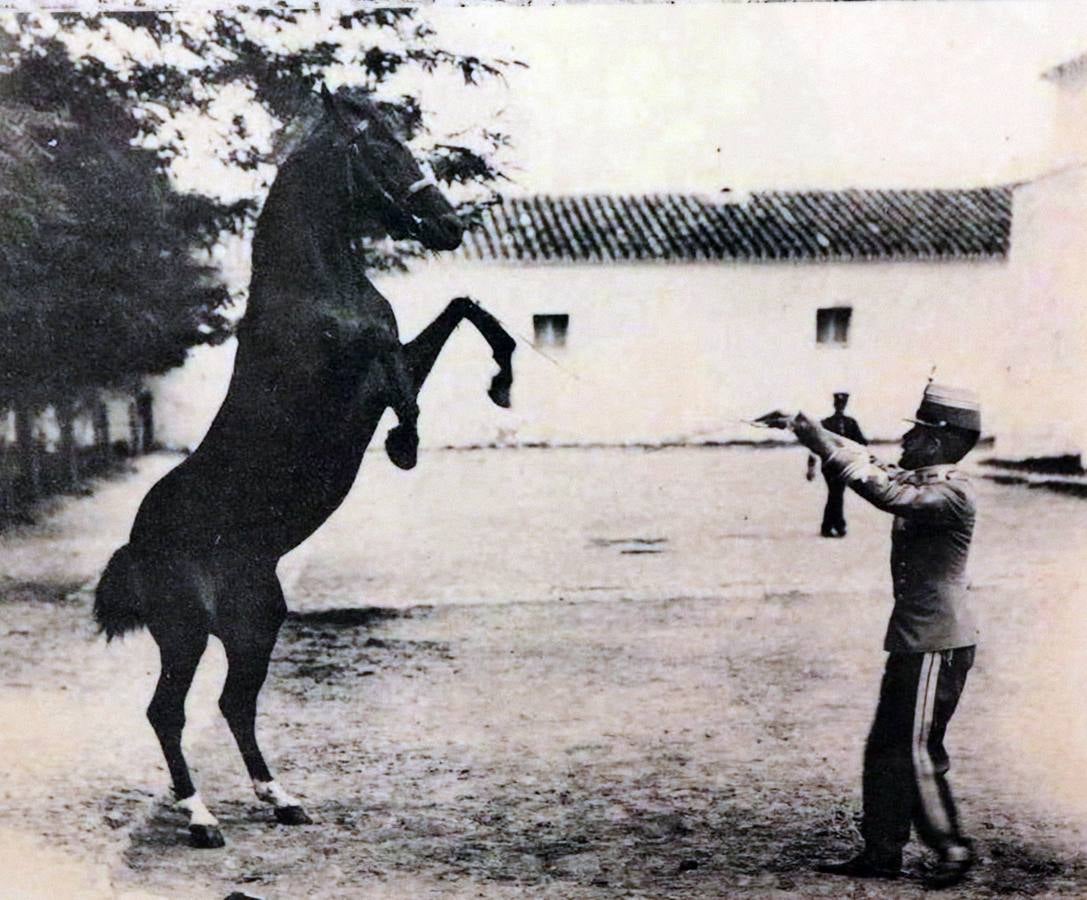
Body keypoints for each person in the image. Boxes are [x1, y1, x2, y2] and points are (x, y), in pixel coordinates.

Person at [757, 382, 981, 889]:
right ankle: (882, 851)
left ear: (941, 442)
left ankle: (951, 848)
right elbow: (867, 459)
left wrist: (822, 444)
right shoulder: (927, 478)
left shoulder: (952, 491)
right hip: (915, 639)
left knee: (918, 749)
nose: (906, 438)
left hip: (938, 643)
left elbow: (884, 490)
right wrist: (804, 427)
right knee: (885, 747)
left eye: (917, 432)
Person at [806, 392, 867, 537]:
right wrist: (811, 468)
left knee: (835, 493)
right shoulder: (825, 423)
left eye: (842, 404)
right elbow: (814, 445)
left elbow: (862, 442)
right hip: (830, 465)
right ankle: (837, 526)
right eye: (838, 404)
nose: (840, 407)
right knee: (836, 493)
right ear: (835, 405)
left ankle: (830, 526)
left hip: (844, 464)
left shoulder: (850, 423)